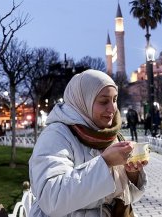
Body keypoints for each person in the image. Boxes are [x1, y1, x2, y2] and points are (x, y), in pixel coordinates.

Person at [28, 69, 148, 217]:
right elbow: (52, 199)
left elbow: (123, 197)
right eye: (104, 101)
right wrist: (105, 162)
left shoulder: (108, 134)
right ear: (83, 101)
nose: (112, 109)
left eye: (115, 100)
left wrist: (132, 173)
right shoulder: (55, 135)